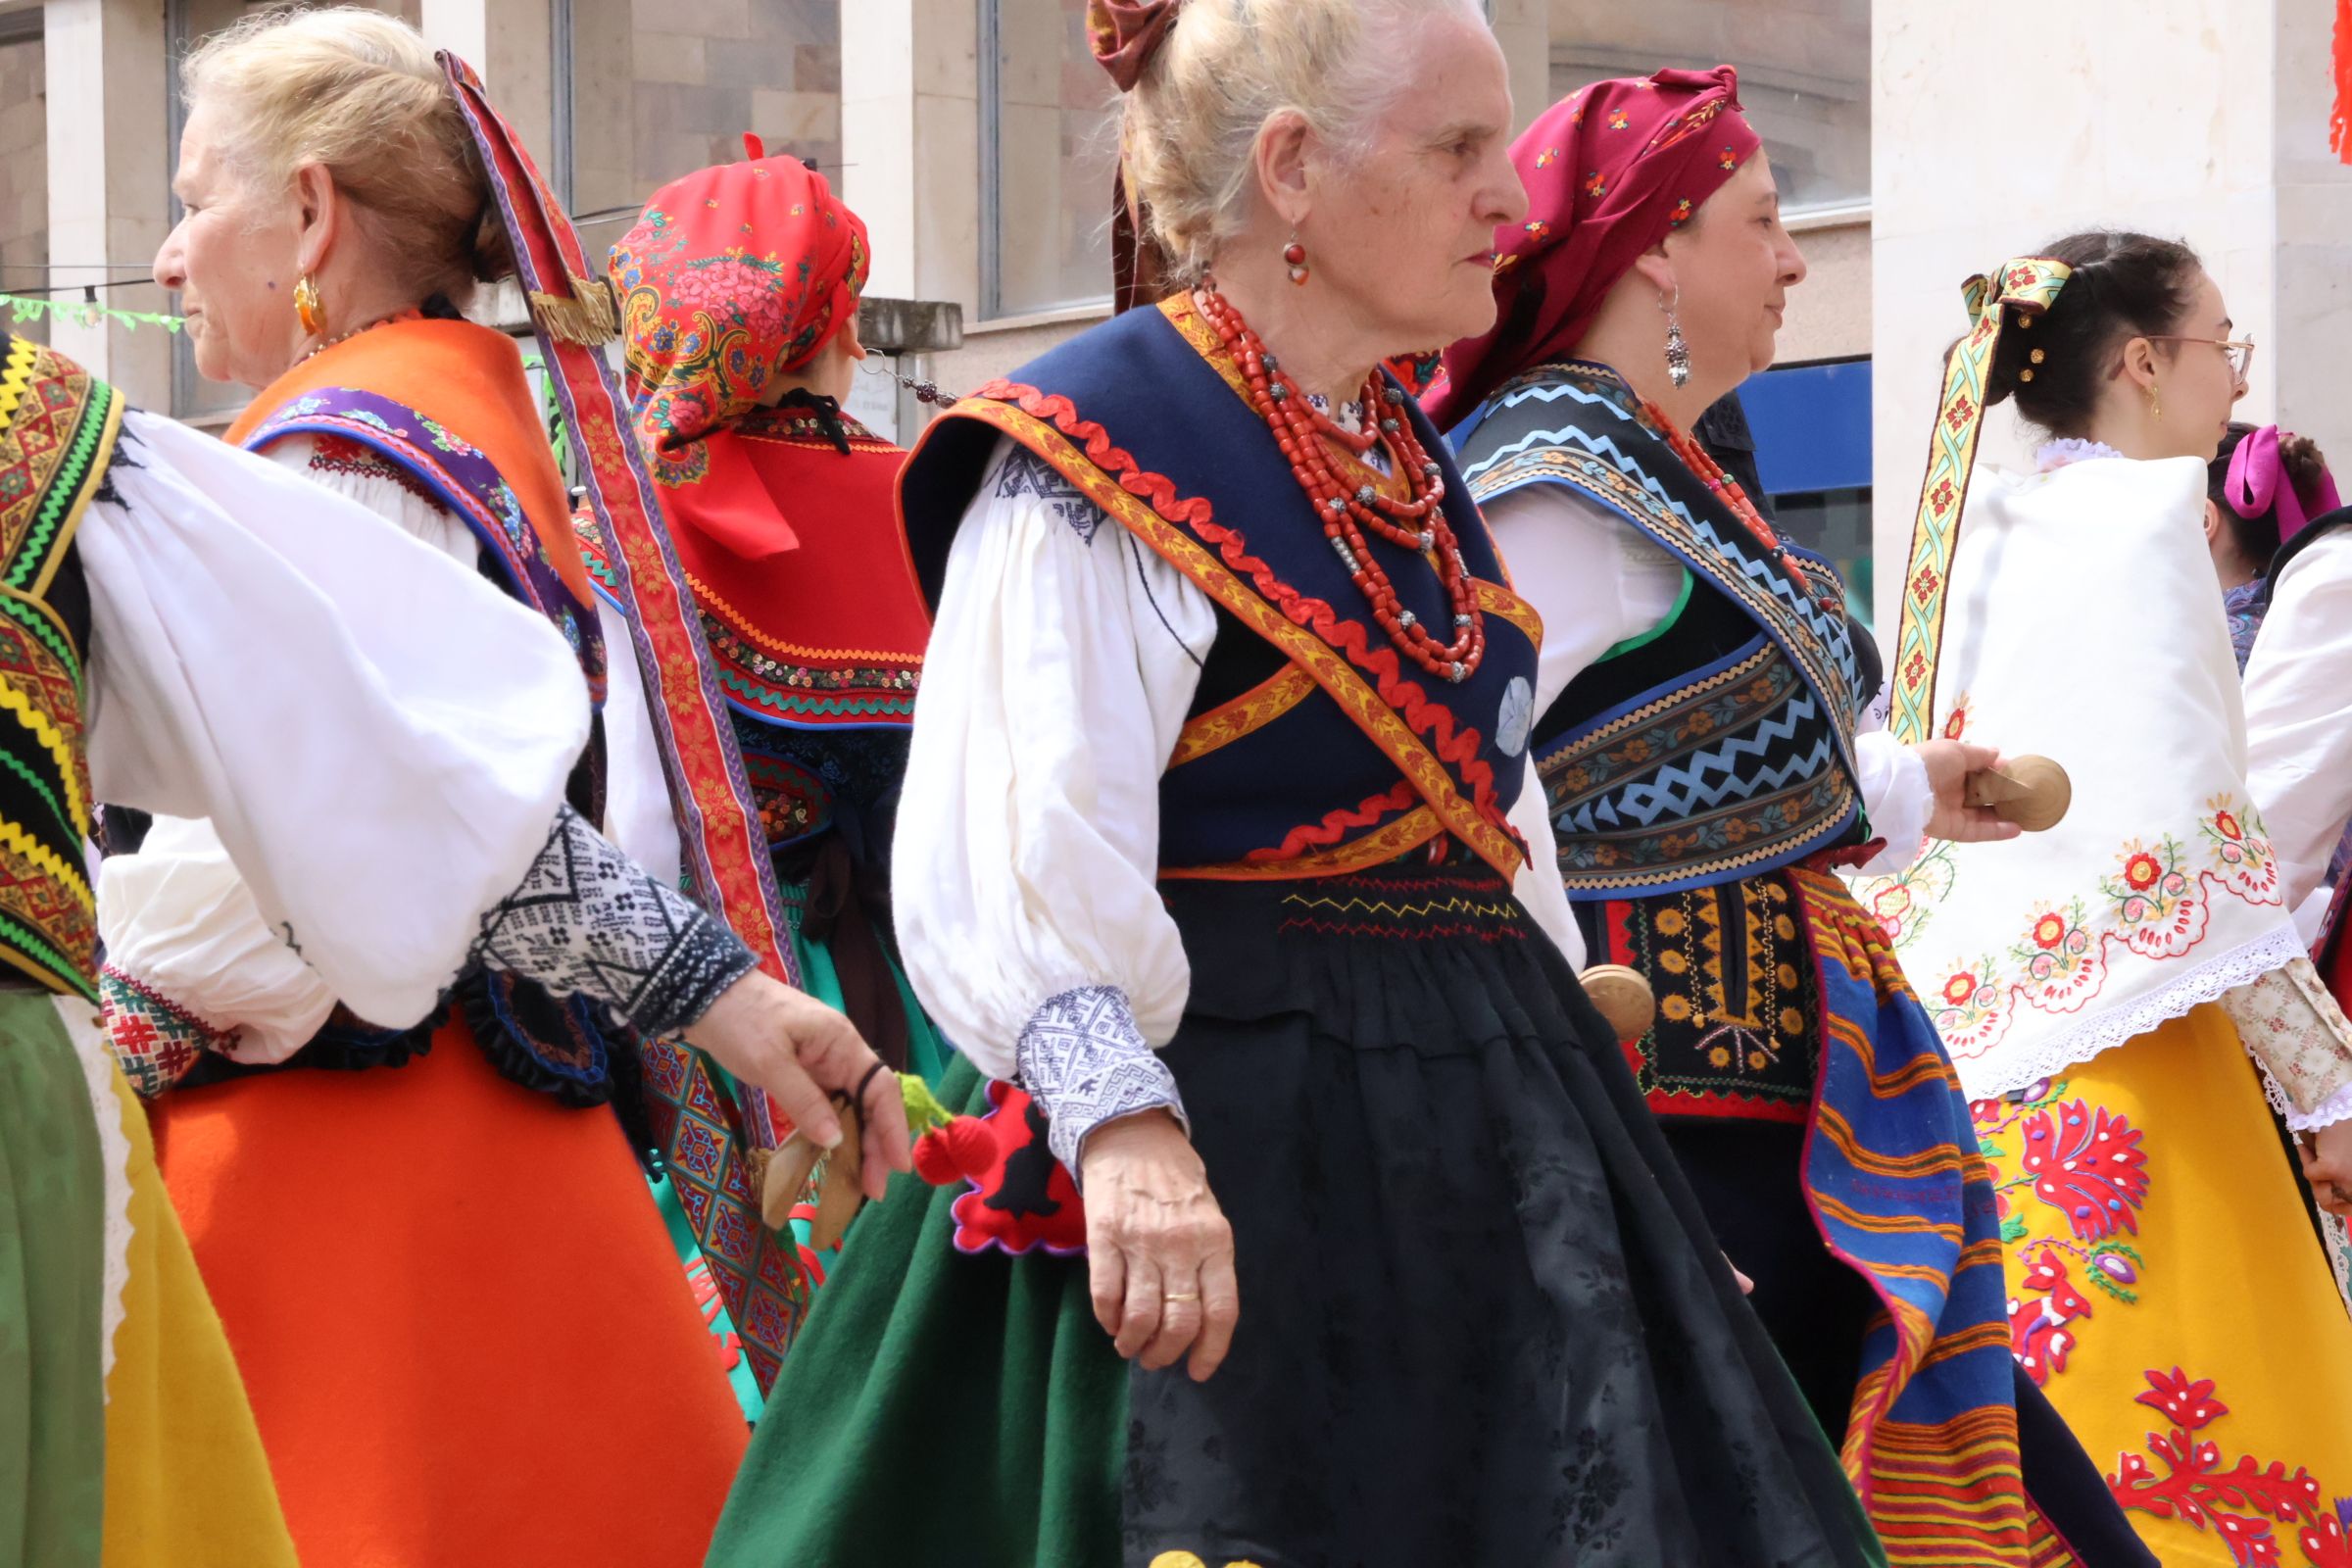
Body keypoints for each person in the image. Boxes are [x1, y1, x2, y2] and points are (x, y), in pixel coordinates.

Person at [706, 6, 1888, 1566]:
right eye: (1460, 151)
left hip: (1476, 1141)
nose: (1512, 204)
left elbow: (1493, 821)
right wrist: (1122, 1133)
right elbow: (1017, 830)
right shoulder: (1096, 447)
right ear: (1292, 172)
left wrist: (1611, 1206)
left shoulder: (1409, 457)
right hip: (1227, 1141)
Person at [103, 11, 907, 1565]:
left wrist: (94, 1017)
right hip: (466, 1132)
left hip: (352, 1169)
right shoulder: (446, 408)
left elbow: (321, 847)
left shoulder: (358, 450)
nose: (163, 254)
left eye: (199, 197)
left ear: (316, 216)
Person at [1429, 70, 2146, 1567]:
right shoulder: (1550, 488)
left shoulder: (1658, 471)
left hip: (1782, 1113)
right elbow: (1464, 800)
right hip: (1672, 1119)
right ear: (1655, 252)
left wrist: (1901, 789)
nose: (1799, 258)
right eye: (1765, 221)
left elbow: (1690, 756)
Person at [1858, 228, 2352, 1568]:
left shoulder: (1981, 518)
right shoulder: (2143, 524)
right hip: (2138, 1059)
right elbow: (2197, 846)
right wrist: (2330, 1086)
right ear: (2141, 361)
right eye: (2218, 350)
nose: (2231, 386)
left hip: (1979, 1065)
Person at [589, 144, 947, 1414]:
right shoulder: (936, 499)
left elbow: (630, 834)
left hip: (738, 1000)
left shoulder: (628, 528)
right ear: (833, 325)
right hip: (947, 991)